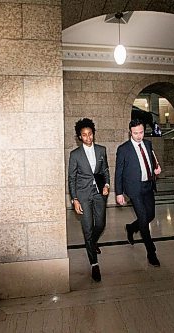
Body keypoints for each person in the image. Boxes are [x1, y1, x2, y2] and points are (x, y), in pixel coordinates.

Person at [68, 118, 110, 282]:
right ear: (80, 137)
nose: (88, 138)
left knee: (100, 224)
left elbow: (105, 170)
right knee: (87, 228)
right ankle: (94, 264)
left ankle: (92, 243)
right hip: (83, 195)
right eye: (84, 135)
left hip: (99, 193)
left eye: (90, 134)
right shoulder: (75, 155)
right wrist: (75, 199)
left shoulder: (101, 150)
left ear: (93, 134)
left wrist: (106, 184)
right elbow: (71, 179)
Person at [115, 118, 162, 267]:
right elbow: (119, 172)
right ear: (130, 132)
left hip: (148, 185)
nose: (139, 135)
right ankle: (151, 252)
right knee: (143, 218)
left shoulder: (148, 144)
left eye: (141, 132)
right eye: (135, 133)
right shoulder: (123, 149)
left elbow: (152, 162)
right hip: (134, 189)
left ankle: (131, 228)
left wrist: (156, 171)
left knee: (151, 215)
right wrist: (119, 193)